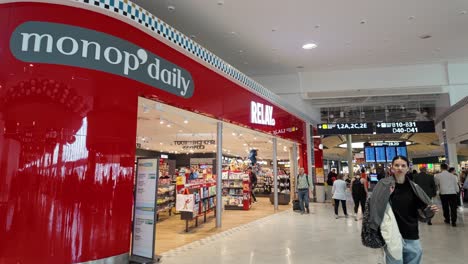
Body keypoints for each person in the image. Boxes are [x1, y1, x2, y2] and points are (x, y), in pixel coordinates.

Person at [369, 156, 438, 264]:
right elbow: (374, 206)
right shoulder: (383, 185)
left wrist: (430, 210)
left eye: (403, 165)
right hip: (392, 234)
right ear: (391, 168)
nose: (399, 168)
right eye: (396, 165)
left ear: (407, 168)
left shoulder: (414, 187)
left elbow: (422, 210)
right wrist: (386, 195)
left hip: (411, 234)